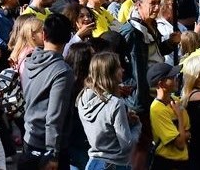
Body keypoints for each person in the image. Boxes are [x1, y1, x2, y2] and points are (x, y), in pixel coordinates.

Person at [20, 13, 76, 170]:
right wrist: (53, 153)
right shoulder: (62, 72)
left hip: (29, 138)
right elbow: (55, 116)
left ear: (43, 34)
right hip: (47, 147)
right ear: (67, 38)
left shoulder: (30, 61)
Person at [78, 51, 142, 170]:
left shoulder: (82, 98)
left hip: (93, 163)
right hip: (115, 164)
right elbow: (127, 144)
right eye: (118, 67)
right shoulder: (115, 103)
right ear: (110, 72)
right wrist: (136, 127)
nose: (123, 70)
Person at [149, 62, 190, 169]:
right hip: (167, 163)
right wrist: (179, 117)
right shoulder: (157, 109)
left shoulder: (176, 101)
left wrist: (182, 134)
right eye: (172, 77)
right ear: (161, 84)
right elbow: (180, 144)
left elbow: (188, 131)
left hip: (183, 162)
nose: (176, 79)